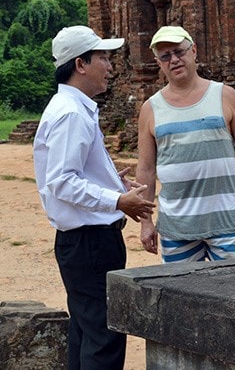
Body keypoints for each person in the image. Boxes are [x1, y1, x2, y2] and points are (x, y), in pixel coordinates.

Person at [33, 25, 156, 369]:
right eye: (103, 58)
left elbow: (70, 175)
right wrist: (119, 201)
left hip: (83, 243)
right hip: (90, 244)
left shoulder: (72, 109)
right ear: (80, 64)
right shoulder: (71, 114)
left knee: (87, 332)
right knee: (103, 337)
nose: (110, 66)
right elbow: (62, 182)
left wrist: (111, 183)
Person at [136, 25, 235, 263]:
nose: (174, 60)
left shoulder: (225, 96)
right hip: (177, 226)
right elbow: (146, 169)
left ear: (193, 51)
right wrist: (146, 222)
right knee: (180, 295)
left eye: (179, 52)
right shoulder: (150, 109)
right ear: (159, 63)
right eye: (165, 56)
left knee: (234, 292)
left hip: (225, 222)